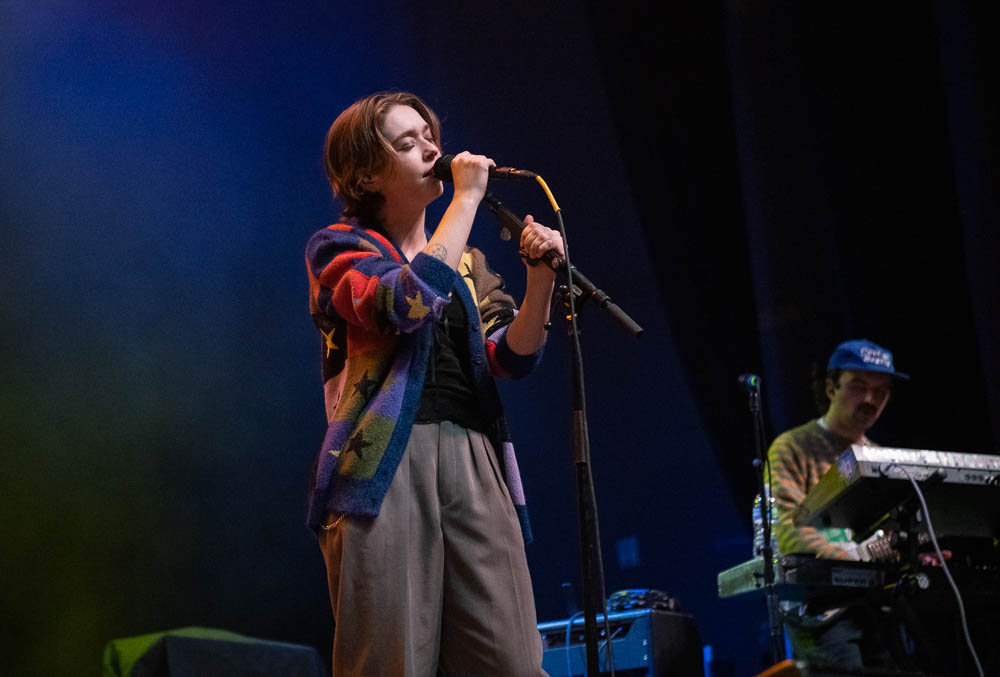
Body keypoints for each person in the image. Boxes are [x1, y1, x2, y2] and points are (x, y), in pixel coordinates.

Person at [304, 91, 559, 676]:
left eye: (429, 136)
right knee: (392, 662)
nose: (430, 149)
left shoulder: (468, 262)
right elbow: (404, 303)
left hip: (477, 458)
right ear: (367, 175)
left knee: (514, 663)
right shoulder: (339, 249)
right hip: (384, 468)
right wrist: (467, 198)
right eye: (406, 142)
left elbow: (509, 358)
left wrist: (540, 281)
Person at [767, 338, 908, 668]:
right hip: (823, 608)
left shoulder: (882, 459)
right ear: (831, 387)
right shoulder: (792, 447)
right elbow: (786, 530)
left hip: (879, 606)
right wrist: (853, 558)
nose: (870, 399)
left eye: (881, 391)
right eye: (859, 386)